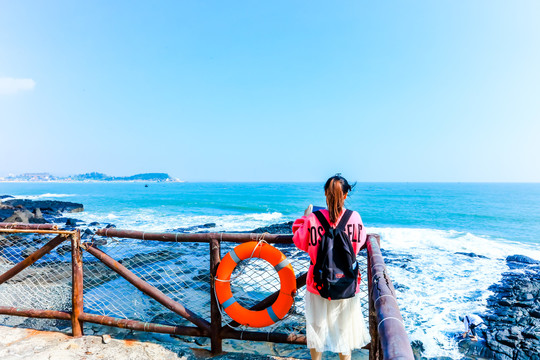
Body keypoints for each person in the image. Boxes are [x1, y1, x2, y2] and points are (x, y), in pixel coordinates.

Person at [292, 175, 370, 360]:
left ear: (326, 193)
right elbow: (360, 243)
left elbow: (299, 240)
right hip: (346, 283)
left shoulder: (313, 218)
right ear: (345, 195)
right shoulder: (355, 217)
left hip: (318, 283)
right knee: (344, 329)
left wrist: (304, 217)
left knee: (317, 327)